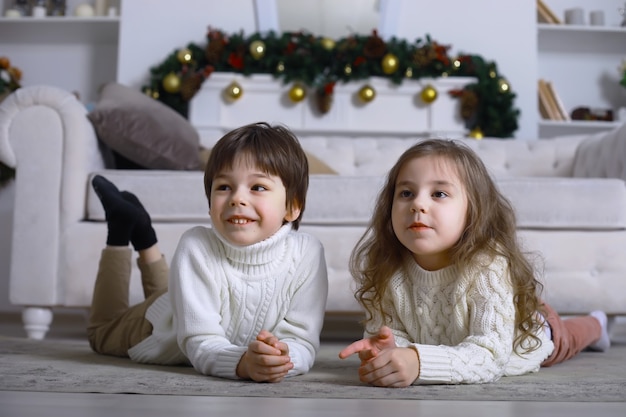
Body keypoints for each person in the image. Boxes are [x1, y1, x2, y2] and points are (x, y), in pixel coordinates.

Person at [338, 139, 611, 387]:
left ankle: (596, 324)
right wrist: (389, 351)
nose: (418, 204)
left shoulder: (487, 265)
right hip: (470, 335)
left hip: (530, 332)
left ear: (473, 211)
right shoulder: (388, 268)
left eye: (439, 194)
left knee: (570, 338)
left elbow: (489, 355)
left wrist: (417, 362)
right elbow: (390, 337)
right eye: (406, 193)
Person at [87, 122, 329, 383]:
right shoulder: (196, 246)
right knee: (101, 333)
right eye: (224, 187)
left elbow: (301, 340)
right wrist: (242, 364)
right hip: (158, 327)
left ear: (292, 207)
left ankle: (144, 234)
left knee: (172, 292)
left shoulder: (308, 254)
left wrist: (282, 358)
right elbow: (200, 341)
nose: (237, 198)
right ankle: (121, 229)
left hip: (184, 298)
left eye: (258, 187)